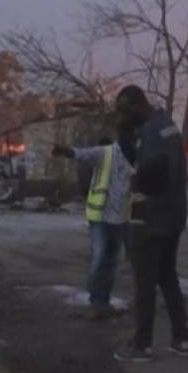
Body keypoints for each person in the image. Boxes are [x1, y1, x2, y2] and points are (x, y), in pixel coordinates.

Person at [112, 85, 188, 363]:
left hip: (151, 215)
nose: (121, 115)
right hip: (173, 213)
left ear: (135, 105)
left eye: (123, 111)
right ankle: (181, 338)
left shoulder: (150, 131)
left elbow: (153, 166)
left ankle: (142, 344)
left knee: (145, 281)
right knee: (167, 276)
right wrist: (123, 133)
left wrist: (138, 180)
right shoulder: (166, 125)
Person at [50, 136, 133, 320]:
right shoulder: (106, 152)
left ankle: (103, 303)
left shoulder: (137, 156)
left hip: (122, 218)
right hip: (101, 216)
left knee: (111, 262)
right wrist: (64, 150)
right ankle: (97, 304)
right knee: (100, 259)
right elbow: (81, 154)